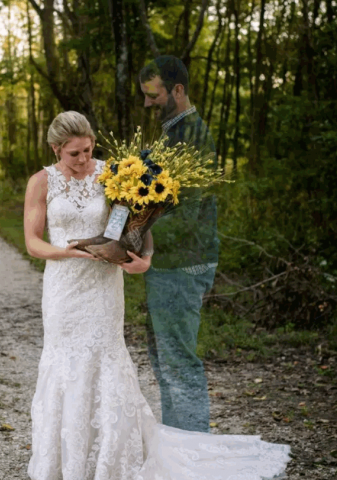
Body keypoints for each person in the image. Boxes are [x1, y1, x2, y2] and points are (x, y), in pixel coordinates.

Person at [24, 110, 290, 479]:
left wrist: (144, 260)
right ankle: (64, 461)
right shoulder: (41, 182)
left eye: (88, 150)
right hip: (63, 290)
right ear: (56, 149)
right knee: (64, 365)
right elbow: (33, 243)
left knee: (106, 360)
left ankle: (112, 460)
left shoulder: (111, 173)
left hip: (103, 289)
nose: (84, 160)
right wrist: (70, 252)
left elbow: (140, 220)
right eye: (74, 154)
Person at [139, 55, 219, 433]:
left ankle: (194, 455)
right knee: (163, 362)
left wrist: (134, 237)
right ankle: (177, 449)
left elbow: (187, 215)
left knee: (178, 363)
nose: (147, 103)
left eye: (153, 95)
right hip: (164, 264)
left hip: (183, 265)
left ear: (178, 90)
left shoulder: (194, 136)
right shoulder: (171, 133)